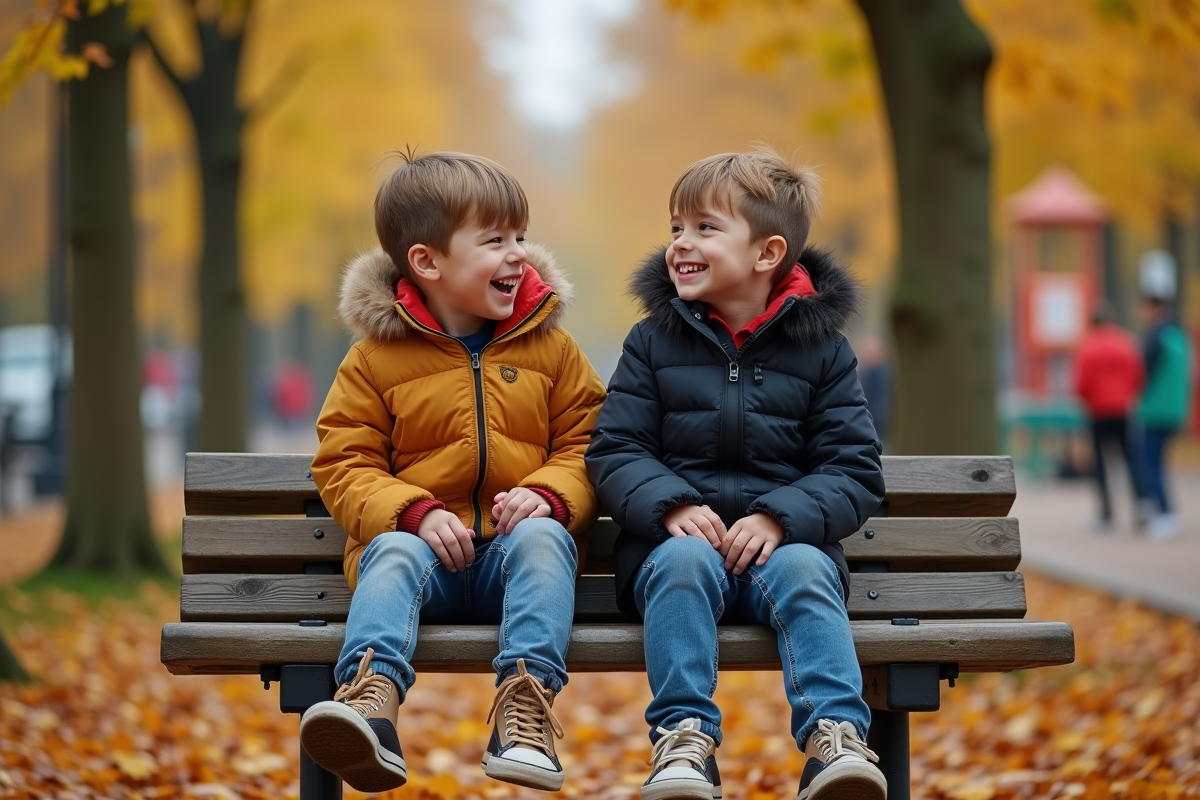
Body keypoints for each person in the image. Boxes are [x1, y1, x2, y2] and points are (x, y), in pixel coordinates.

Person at [300, 151, 606, 793]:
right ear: (427, 262)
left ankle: (524, 710)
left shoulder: (552, 349)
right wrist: (415, 511)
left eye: (520, 236)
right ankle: (370, 702)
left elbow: (589, 443)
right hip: (424, 568)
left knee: (545, 539)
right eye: (494, 240)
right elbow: (344, 462)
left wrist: (550, 495)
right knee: (392, 551)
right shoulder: (375, 359)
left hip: (515, 564)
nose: (518, 254)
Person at [586, 149, 887, 800]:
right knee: (683, 565)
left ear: (767, 253)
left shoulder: (822, 352)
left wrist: (781, 516)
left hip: (781, 551)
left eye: (704, 228)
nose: (680, 244)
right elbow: (615, 448)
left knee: (808, 572)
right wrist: (669, 506)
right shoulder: (651, 344)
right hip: (675, 552)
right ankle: (683, 739)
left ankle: (835, 738)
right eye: (675, 228)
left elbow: (854, 469)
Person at [1072, 303, 1144, 530]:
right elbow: (1138, 376)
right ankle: (1141, 507)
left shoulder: (1088, 346)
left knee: (1100, 464)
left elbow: (1082, 383)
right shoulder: (1127, 342)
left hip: (1098, 411)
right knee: (1131, 459)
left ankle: (1106, 515)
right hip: (1123, 410)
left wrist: (1088, 399)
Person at [1136, 287, 1193, 538]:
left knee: (1150, 462)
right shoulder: (1179, 335)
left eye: (1142, 309)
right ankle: (1159, 510)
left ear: (1153, 307)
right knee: (1157, 462)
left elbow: (1142, 372)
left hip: (1155, 410)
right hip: (1175, 409)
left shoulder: (1157, 335)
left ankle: (1164, 514)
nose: (1141, 314)